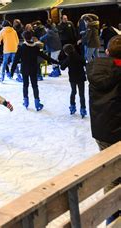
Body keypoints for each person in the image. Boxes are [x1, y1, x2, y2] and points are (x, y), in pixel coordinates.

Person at [86, 35, 121, 225]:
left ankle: (112, 213)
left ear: (106, 51)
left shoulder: (95, 69)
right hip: (117, 131)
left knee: (112, 173)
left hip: (102, 131)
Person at [11, 31, 58, 111]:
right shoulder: (35, 47)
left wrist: (12, 71)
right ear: (31, 37)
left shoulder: (21, 47)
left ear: (24, 38)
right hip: (33, 69)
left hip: (25, 69)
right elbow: (44, 56)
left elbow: (15, 60)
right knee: (35, 85)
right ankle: (37, 102)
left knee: (25, 85)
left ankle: (26, 101)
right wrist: (55, 61)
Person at [60, 44, 87, 117]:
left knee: (73, 92)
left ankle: (72, 106)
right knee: (82, 94)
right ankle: (83, 108)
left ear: (66, 52)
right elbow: (85, 63)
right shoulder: (79, 56)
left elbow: (62, 68)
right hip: (81, 77)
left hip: (73, 78)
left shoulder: (68, 59)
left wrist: (62, 62)